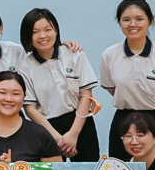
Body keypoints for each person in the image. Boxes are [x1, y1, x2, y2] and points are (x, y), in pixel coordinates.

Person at [99, 0, 155, 154]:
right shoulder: (109, 55)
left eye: (139, 19)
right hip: (125, 121)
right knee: (124, 169)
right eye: (126, 20)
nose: (132, 24)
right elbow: (112, 88)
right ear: (120, 23)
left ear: (150, 21)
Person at [18, 8, 100, 161]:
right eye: (35, 32)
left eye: (48, 29)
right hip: (47, 128)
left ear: (56, 30)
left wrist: (73, 134)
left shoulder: (74, 54)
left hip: (80, 123)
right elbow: (30, 109)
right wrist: (58, 138)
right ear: (28, 36)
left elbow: (86, 95)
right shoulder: (24, 66)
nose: (42, 36)